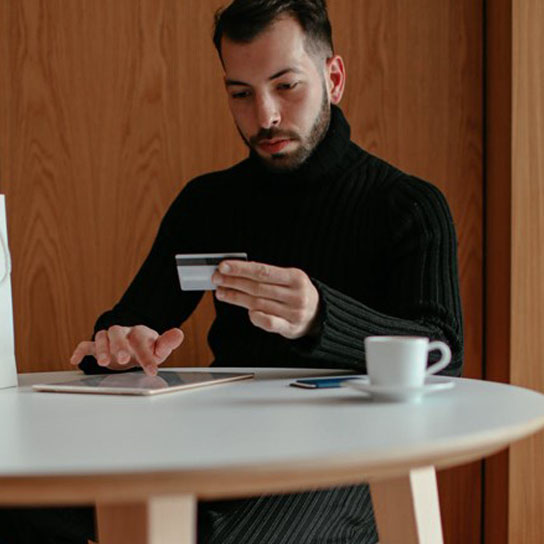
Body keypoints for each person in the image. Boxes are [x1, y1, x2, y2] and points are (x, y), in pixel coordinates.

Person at [0, 1, 463, 543]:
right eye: (240, 93)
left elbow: (444, 355)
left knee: (213, 537)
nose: (264, 115)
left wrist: (320, 317)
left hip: (353, 462)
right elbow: (133, 320)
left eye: (286, 86)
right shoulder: (207, 204)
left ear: (333, 79)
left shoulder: (409, 206)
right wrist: (122, 344)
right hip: (215, 447)